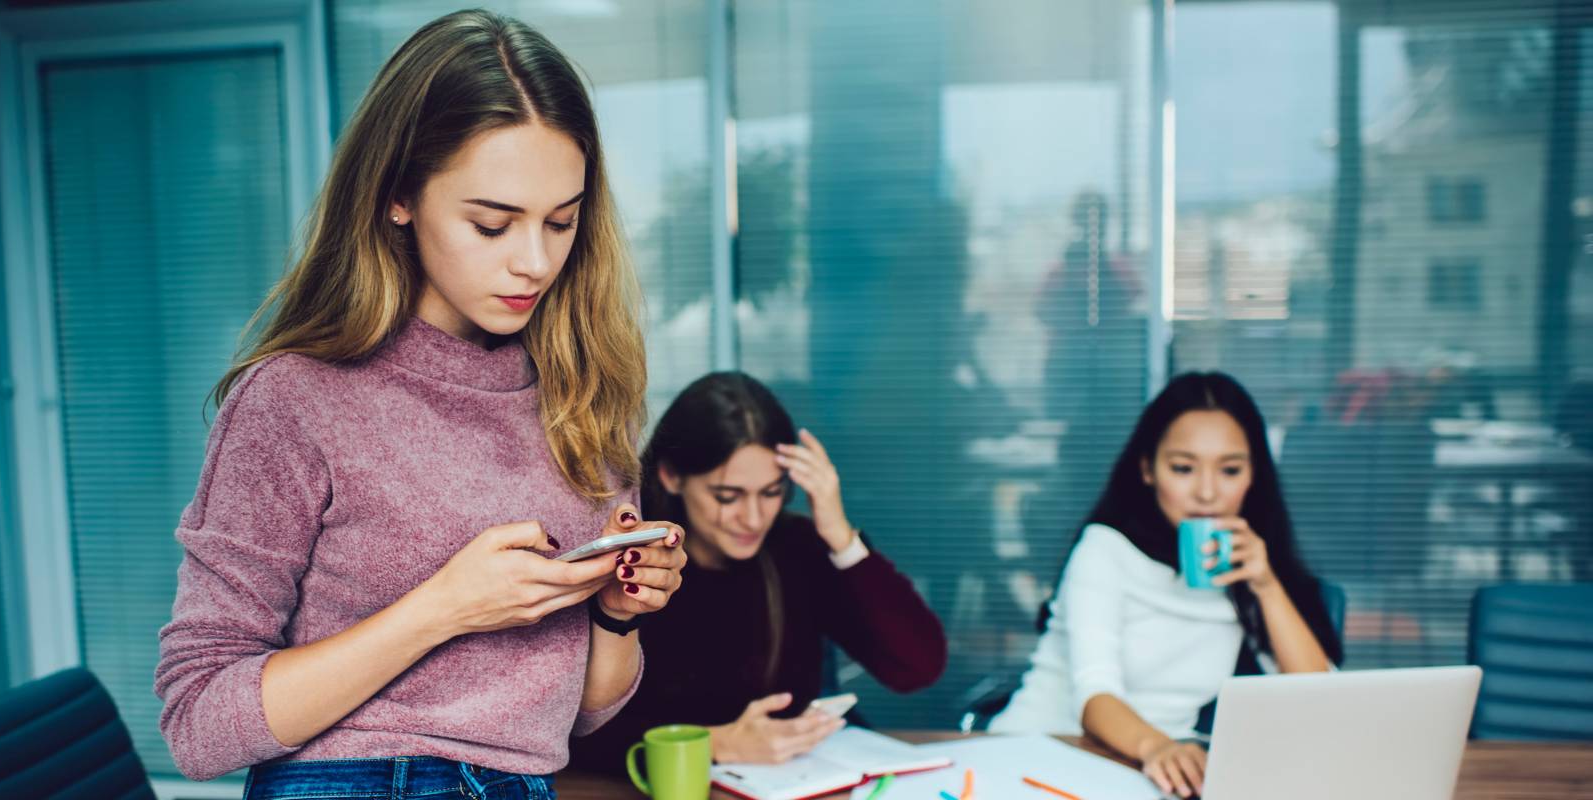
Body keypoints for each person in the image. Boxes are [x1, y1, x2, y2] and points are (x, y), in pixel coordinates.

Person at [153, 10, 687, 799]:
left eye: (560, 222)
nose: (534, 261)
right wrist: (444, 608)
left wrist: (614, 613)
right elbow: (198, 725)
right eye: (492, 223)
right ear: (400, 195)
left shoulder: (583, 397)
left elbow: (576, 717)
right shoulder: (296, 399)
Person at [987, 372, 1343, 798]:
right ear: (1148, 469)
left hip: (1147, 777)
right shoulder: (1105, 550)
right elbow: (1094, 696)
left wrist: (1266, 585)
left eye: (1230, 470)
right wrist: (1159, 746)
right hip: (1039, 756)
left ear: (1254, 477)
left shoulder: (1246, 566)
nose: (1207, 492)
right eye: (1183, 468)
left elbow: (1318, 697)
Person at [570, 372, 946, 770]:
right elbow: (575, 732)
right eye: (728, 496)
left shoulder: (797, 548)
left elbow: (916, 667)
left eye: (771, 492)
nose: (753, 518)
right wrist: (716, 743)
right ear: (671, 476)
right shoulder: (634, 566)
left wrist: (841, 537)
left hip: (800, 780)